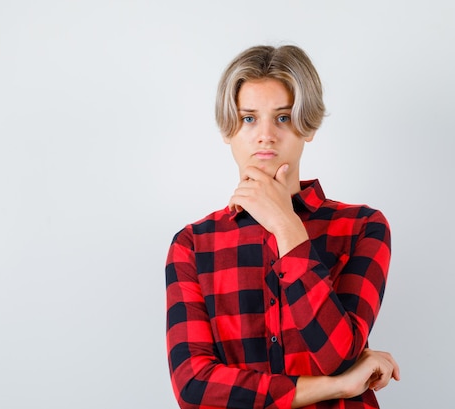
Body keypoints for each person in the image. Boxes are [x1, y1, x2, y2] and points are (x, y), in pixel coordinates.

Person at [165, 44, 400, 409]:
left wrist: (287, 227)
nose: (265, 135)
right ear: (228, 130)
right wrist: (335, 387)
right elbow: (193, 387)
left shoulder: (362, 227)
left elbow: (336, 356)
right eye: (248, 118)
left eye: (283, 117)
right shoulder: (193, 245)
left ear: (309, 126)